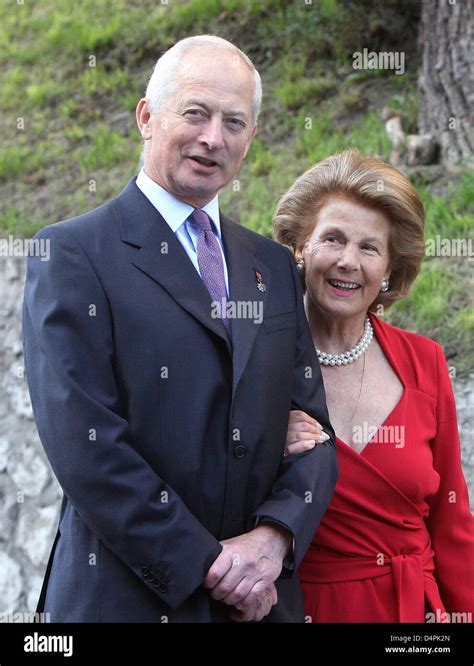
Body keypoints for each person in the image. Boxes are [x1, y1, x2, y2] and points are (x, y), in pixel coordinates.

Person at [22, 35, 337, 623]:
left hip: (262, 603)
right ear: (147, 116)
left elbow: (315, 430)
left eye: (234, 122)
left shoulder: (270, 265)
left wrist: (274, 538)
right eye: (195, 112)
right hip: (128, 598)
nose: (213, 137)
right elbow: (88, 448)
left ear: (251, 137)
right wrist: (213, 567)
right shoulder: (72, 254)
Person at [274, 149, 474, 623]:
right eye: (333, 239)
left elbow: (452, 521)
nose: (349, 262)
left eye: (369, 248)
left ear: (388, 268)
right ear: (301, 247)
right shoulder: (257, 362)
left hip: (416, 618)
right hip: (303, 609)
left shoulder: (424, 360)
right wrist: (262, 444)